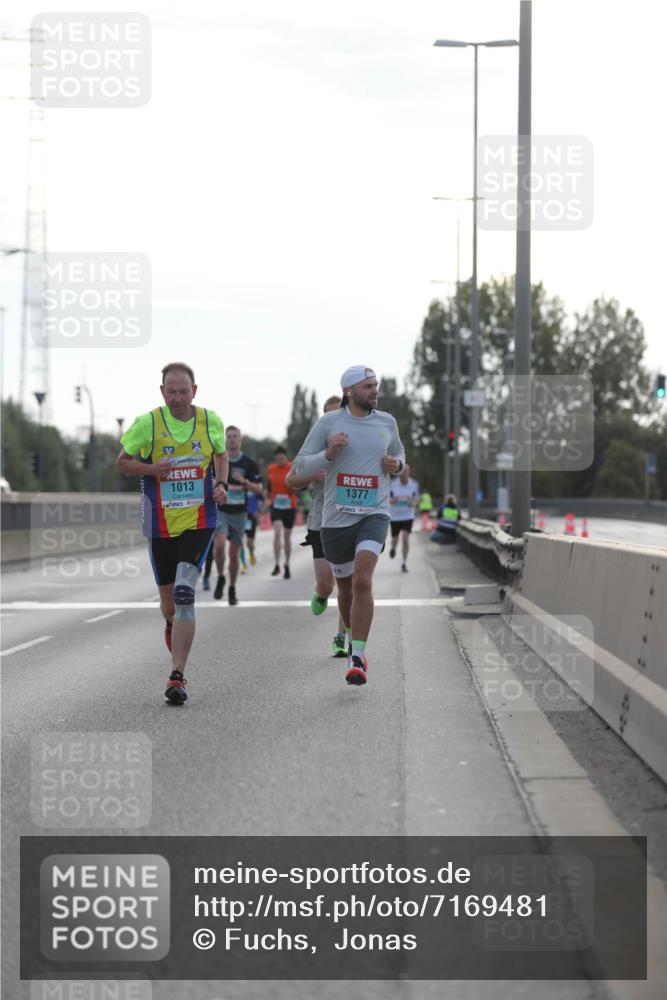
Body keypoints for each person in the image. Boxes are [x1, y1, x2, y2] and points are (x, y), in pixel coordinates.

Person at [116, 362, 228, 705]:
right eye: (172, 391)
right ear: (162, 391)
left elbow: (221, 455)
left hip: (199, 520)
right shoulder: (148, 423)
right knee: (168, 604)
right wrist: (152, 469)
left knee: (183, 593)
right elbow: (122, 461)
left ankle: (177, 674)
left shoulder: (210, 421)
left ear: (194, 390)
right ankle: (171, 625)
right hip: (160, 524)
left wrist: (221, 484)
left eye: (184, 391)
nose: (178, 398)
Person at [292, 366, 405, 685]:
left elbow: (399, 455)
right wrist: (328, 453)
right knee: (344, 588)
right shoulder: (328, 423)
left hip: (374, 514)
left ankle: (357, 656)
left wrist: (396, 466)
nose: (375, 391)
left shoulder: (387, 422)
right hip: (336, 519)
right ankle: (353, 635)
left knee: (363, 580)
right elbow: (299, 466)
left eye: (376, 385)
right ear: (349, 391)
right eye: (368, 386)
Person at [286, 395, 348, 657]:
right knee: (327, 584)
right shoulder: (315, 448)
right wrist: (313, 475)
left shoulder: (357, 444)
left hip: (349, 520)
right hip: (320, 522)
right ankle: (321, 594)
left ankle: (340, 638)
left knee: (350, 585)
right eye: (328, 416)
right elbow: (291, 479)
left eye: (337, 414)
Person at [209, 425, 263, 605]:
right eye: (229, 436)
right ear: (225, 439)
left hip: (239, 513)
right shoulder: (217, 460)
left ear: (240, 440)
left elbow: (259, 489)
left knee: (234, 554)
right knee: (219, 545)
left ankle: (231, 587)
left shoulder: (248, 463)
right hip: (222, 511)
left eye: (235, 436)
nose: (232, 439)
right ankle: (220, 577)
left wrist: (244, 482)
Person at [266, 446, 297, 579]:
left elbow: (298, 484)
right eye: (277, 458)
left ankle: (287, 563)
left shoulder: (292, 467)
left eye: (282, 458)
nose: (280, 460)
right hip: (276, 504)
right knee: (277, 533)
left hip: (290, 505)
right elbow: (268, 486)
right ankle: (276, 564)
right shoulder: (271, 469)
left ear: (286, 458)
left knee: (286, 537)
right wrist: (267, 500)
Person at [389, 463, 419, 572]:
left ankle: (404, 563)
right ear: (400, 472)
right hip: (395, 516)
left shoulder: (414, 484)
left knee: (405, 539)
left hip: (408, 515)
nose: (405, 474)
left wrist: (413, 503)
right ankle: (393, 548)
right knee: (395, 539)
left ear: (409, 472)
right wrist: (393, 501)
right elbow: (387, 500)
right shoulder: (392, 484)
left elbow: (417, 499)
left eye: (407, 472)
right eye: (403, 471)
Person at [244, 486, 262, 565]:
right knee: (239, 541)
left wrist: (258, 511)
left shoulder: (256, 488)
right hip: (241, 516)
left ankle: (251, 553)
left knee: (249, 542)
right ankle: (243, 564)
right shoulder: (241, 487)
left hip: (251, 518)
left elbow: (263, 501)